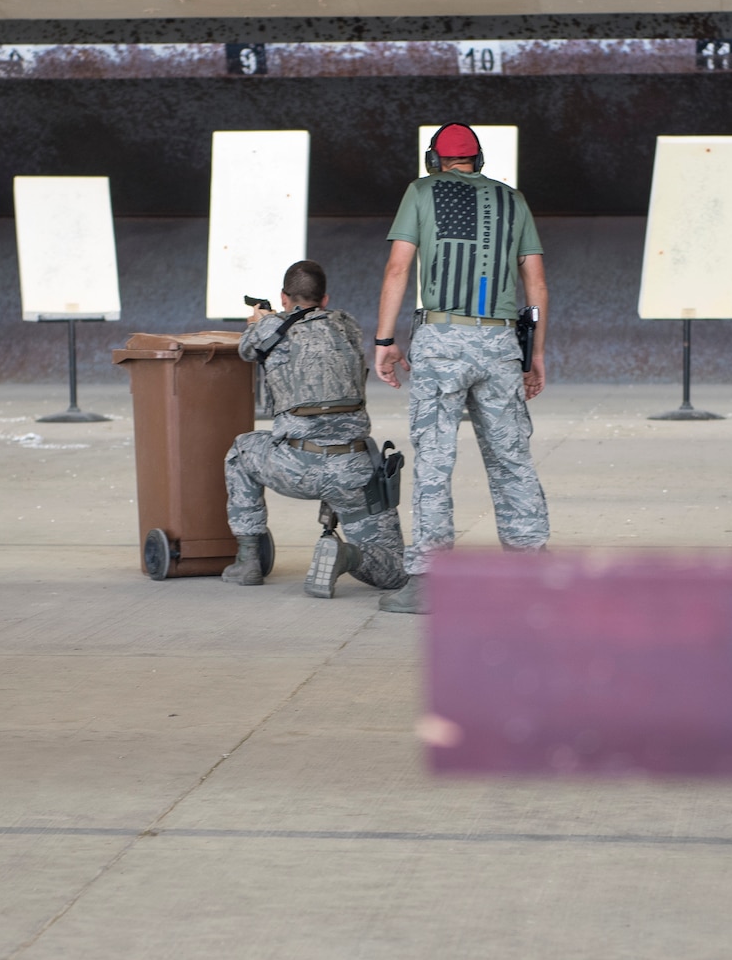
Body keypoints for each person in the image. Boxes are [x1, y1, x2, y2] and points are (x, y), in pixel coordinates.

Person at [371, 123, 550, 614]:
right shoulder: (513, 201)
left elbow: (397, 269)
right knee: (511, 458)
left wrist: (385, 341)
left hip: (441, 341)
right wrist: (534, 353)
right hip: (499, 342)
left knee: (434, 460)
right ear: (479, 160)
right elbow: (535, 282)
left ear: (435, 160)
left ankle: (429, 579)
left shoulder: (421, 192)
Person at [222, 260, 409, 598]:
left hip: (295, 465)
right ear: (325, 299)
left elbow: (247, 349)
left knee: (240, 451)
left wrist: (261, 321)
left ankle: (248, 560)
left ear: (283, 297)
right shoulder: (348, 324)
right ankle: (348, 555)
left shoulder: (269, 330)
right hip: (353, 470)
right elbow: (315, 328)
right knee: (394, 570)